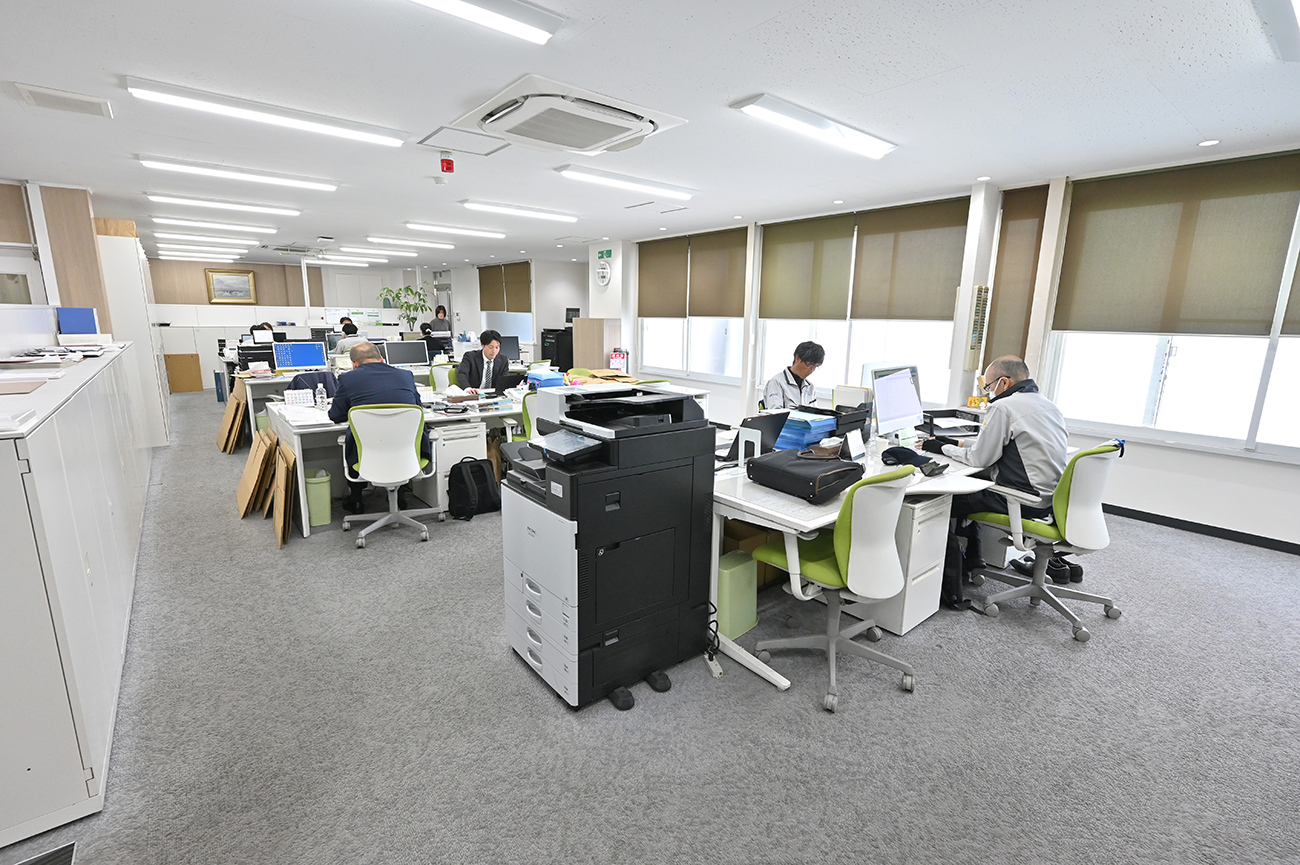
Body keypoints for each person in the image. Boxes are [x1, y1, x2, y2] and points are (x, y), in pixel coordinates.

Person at [921, 355, 1068, 607]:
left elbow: (980, 458)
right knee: (971, 489)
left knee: (942, 501)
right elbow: (994, 443)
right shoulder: (1047, 405)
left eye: (989, 386)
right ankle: (974, 559)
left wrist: (941, 448)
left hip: (1021, 500)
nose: (988, 392)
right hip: (1049, 500)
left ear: (1004, 382)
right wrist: (954, 443)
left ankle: (951, 576)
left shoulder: (1004, 406)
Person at [328, 343, 427, 513]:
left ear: (354, 364)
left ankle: (356, 499)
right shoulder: (405, 375)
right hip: (407, 451)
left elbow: (336, 415)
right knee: (397, 438)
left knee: (355, 440)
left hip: (368, 454)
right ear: (381, 358)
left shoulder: (347, 379)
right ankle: (400, 495)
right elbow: (417, 407)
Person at [762, 341, 822, 409]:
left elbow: (814, 411)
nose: (811, 371)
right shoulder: (776, 382)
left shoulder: (810, 386)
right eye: (809, 365)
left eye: (815, 367)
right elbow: (775, 412)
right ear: (797, 358)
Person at [456, 329, 508, 394]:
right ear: (482, 345)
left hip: (492, 394)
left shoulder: (503, 360)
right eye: (491, 347)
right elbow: (462, 374)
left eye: (497, 347)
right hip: (474, 393)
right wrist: (468, 388)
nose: (494, 351)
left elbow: (503, 380)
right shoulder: (470, 357)